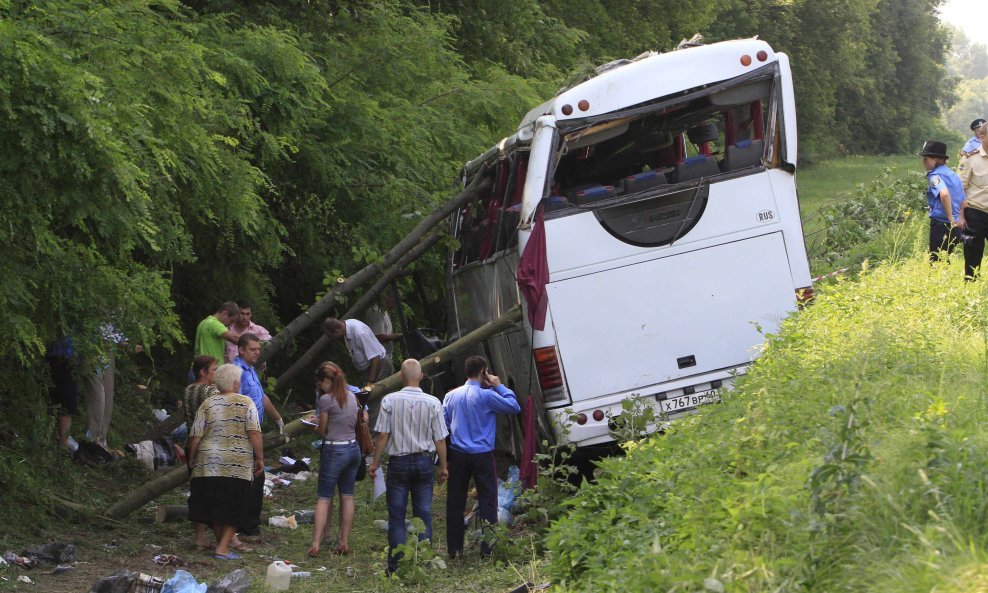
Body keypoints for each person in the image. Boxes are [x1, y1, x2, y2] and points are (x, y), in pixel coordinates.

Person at [369, 359, 449, 574]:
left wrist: (375, 463)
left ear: (401, 377)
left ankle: (395, 567)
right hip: (424, 461)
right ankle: (424, 564)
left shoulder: (389, 400)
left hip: (399, 462)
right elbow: (440, 439)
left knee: (396, 516)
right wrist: (443, 466)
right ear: (421, 376)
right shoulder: (433, 402)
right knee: (423, 513)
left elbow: (383, 435)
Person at [442, 355, 521, 558]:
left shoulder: (451, 396)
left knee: (455, 502)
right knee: (488, 501)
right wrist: (500, 386)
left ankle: (454, 549)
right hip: (483, 455)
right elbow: (514, 407)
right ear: (483, 372)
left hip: (458, 454)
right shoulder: (487, 396)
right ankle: (488, 549)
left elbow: (444, 423)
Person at [186, 363, 264, 560]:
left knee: (213, 504)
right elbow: (254, 432)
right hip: (235, 463)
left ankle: (221, 544)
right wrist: (260, 457)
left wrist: (192, 458)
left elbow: (195, 435)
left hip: (208, 463)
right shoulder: (246, 402)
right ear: (236, 383)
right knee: (236, 505)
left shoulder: (208, 404)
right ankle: (222, 549)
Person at [307, 361, 364, 557]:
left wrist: (313, 425)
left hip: (334, 450)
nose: (319, 386)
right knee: (347, 496)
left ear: (326, 381)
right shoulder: (352, 397)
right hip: (353, 449)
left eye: (320, 382)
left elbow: (323, 430)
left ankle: (316, 542)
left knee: (324, 497)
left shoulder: (326, 400)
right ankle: (343, 541)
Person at [232, 333, 284, 540]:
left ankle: (246, 523)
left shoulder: (251, 371)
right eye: (253, 349)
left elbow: (262, 397)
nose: (256, 353)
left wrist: (278, 419)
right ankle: (246, 525)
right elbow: (235, 401)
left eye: (258, 350)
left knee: (255, 477)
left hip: (255, 427)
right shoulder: (237, 372)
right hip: (243, 431)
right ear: (241, 350)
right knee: (254, 475)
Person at [182, 355, 220, 550]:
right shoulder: (211, 391)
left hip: (191, 444)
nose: (217, 373)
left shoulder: (188, 391)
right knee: (214, 492)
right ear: (203, 372)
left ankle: (200, 536)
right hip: (210, 445)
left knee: (197, 491)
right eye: (214, 370)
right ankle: (225, 537)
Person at [81, 324, 139, 448]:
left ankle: (101, 442)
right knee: (97, 401)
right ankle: (90, 441)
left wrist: (128, 345)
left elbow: (114, 337)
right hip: (92, 352)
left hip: (107, 355)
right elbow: (100, 337)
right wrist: (124, 344)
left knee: (107, 402)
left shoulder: (115, 312)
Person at [918, 140, 964, 262]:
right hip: (957, 226)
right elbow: (964, 200)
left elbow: (944, 195)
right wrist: (960, 219)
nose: (923, 162)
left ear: (936, 159)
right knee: (944, 260)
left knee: (935, 262)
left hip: (942, 225)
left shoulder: (935, 176)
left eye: (926, 159)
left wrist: (950, 219)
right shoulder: (953, 175)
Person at [322, 317, 392, 390]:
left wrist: (370, 382)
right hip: (370, 369)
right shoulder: (346, 328)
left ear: (337, 332)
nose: (330, 338)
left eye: (330, 336)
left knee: (376, 397)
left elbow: (375, 357)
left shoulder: (359, 332)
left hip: (379, 366)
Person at [959, 122, 988, 279]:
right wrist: (961, 216)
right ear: (982, 137)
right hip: (975, 212)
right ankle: (970, 286)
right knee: (973, 253)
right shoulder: (970, 158)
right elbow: (961, 189)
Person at [190, 302, 240, 380]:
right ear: (225, 313)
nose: (231, 325)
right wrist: (253, 343)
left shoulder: (203, 322)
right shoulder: (214, 324)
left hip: (197, 370)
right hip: (207, 372)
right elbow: (236, 339)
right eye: (231, 321)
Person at [45, 336, 78, 450]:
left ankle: (60, 444)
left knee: (66, 403)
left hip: (69, 358)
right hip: (62, 355)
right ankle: (60, 445)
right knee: (65, 402)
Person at [224, 299, 273, 364]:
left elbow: (271, 344)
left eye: (248, 314)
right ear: (236, 313)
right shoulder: (226, 329)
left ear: (251, 314)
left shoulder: (258, 330)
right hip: (227, 370)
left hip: (250, 370)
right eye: (242, 313)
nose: (245, 317)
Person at [364, 294, 403, 365]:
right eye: (395, 300)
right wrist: (401, 336)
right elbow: (379, 337)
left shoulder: (384, 312)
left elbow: (387, 334)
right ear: (388, 297)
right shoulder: (375, 312)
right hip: (379, 360)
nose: (396, 304)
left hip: (386, 358)